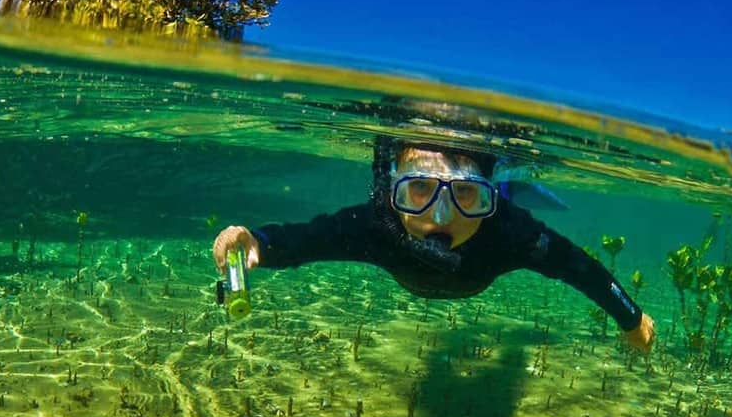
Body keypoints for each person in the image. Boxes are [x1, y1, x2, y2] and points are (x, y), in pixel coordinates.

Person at [211, 136, 655, 352]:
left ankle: (506, 190)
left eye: (466, 195)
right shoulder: (375, 226)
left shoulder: (510, 233)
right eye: (419, 191)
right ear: (391, 192)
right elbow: (305, 238)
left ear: (485, 202)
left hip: (501, 206)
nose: (441, 218)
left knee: (505, 202)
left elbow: (576, 267)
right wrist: (257, 242)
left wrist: (631, 319)